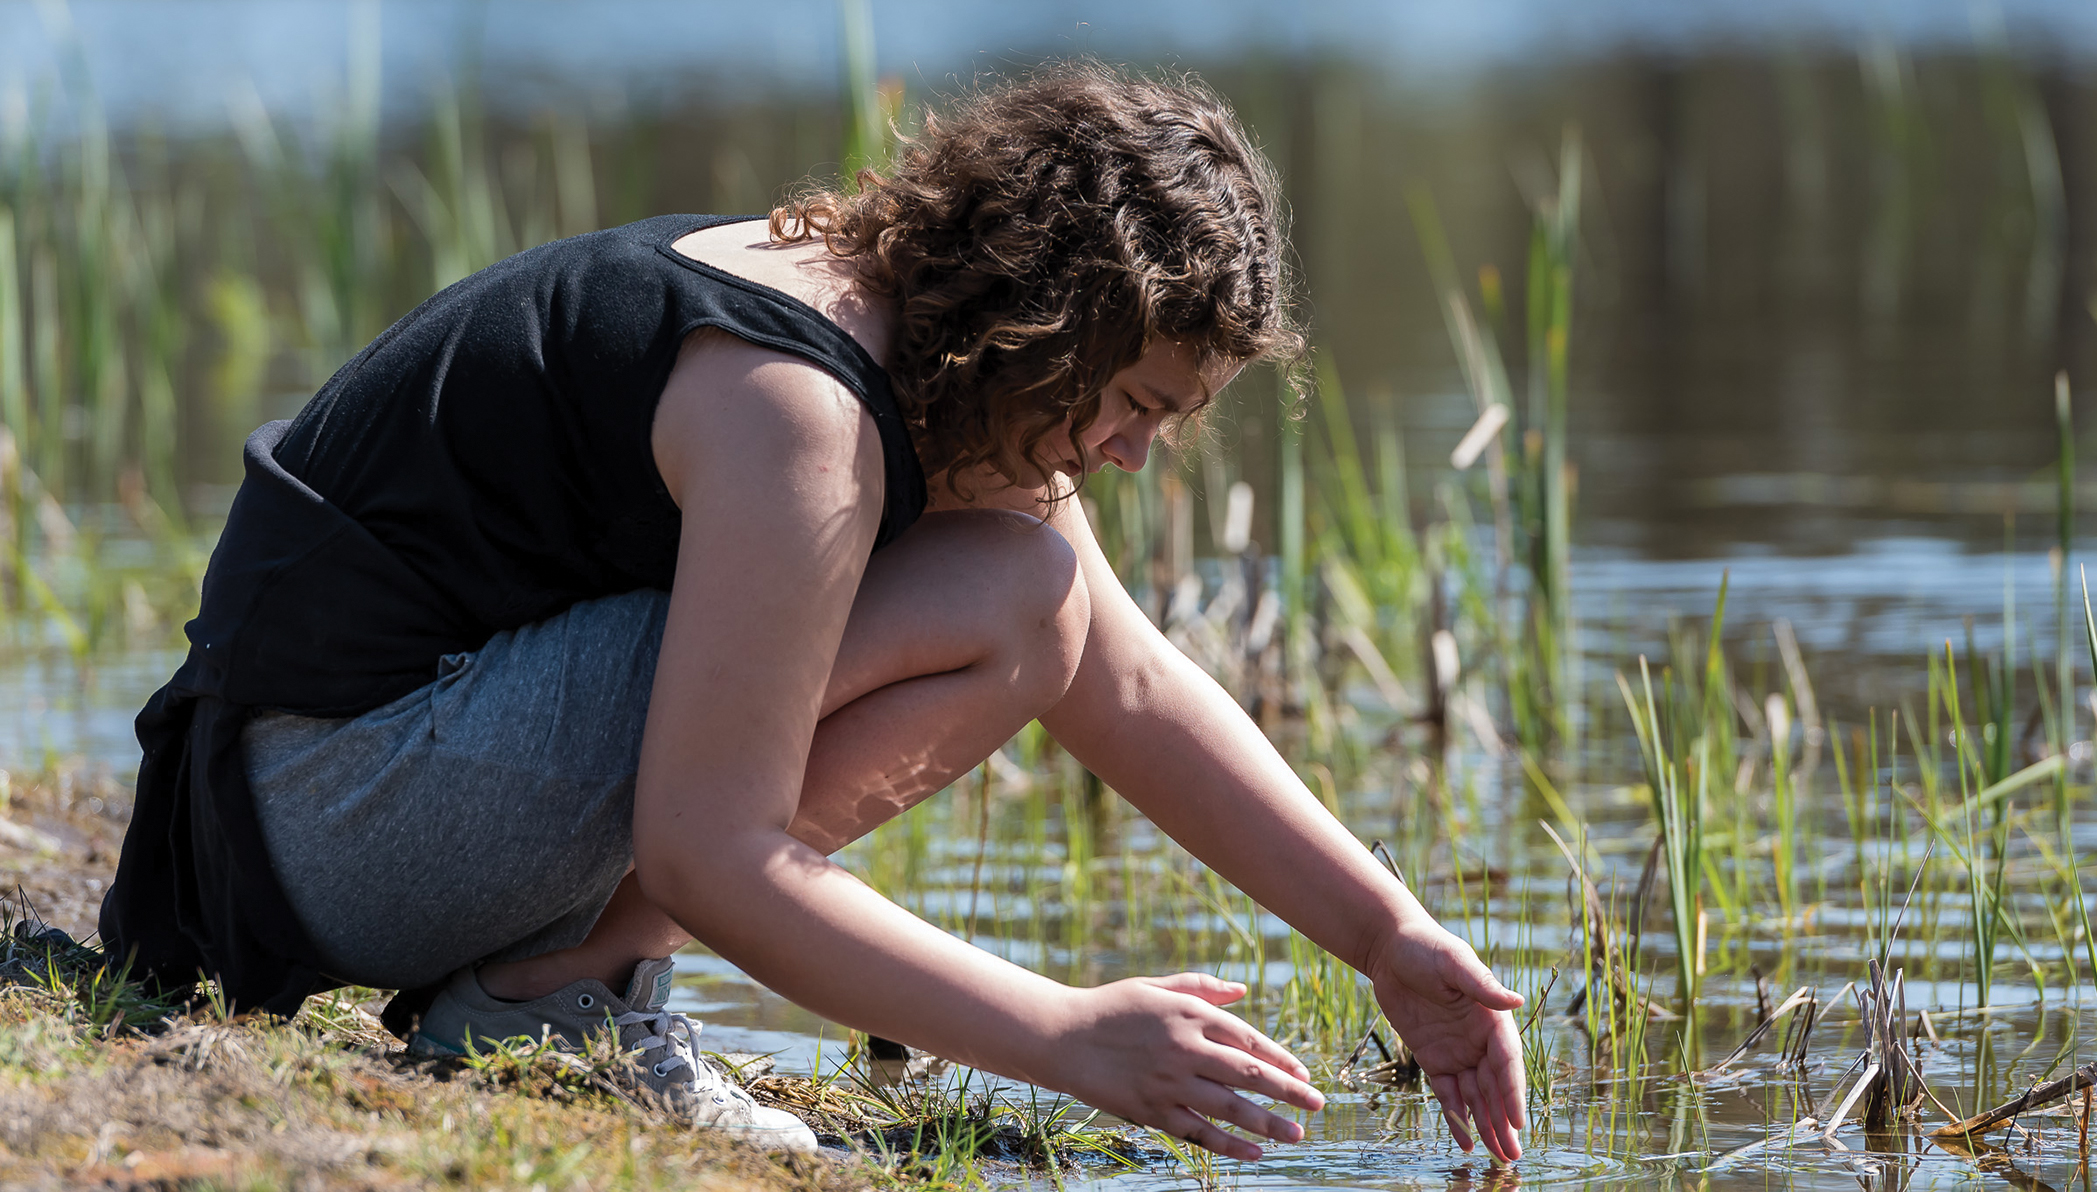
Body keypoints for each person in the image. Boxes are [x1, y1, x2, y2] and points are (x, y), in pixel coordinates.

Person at [101, 62, 1526, 1160]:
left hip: (329, 803)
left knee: (1036, 590)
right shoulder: (797, 409)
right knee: (1018, 591)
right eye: (1136, 404)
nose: (1136, 455)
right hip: (334, 813)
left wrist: (1389, 939)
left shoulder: (896, 339)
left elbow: (1130, 685)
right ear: (1049, 324)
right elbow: (715, 855)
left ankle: (547, 981)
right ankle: (554, 992)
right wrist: (1070, 1037)